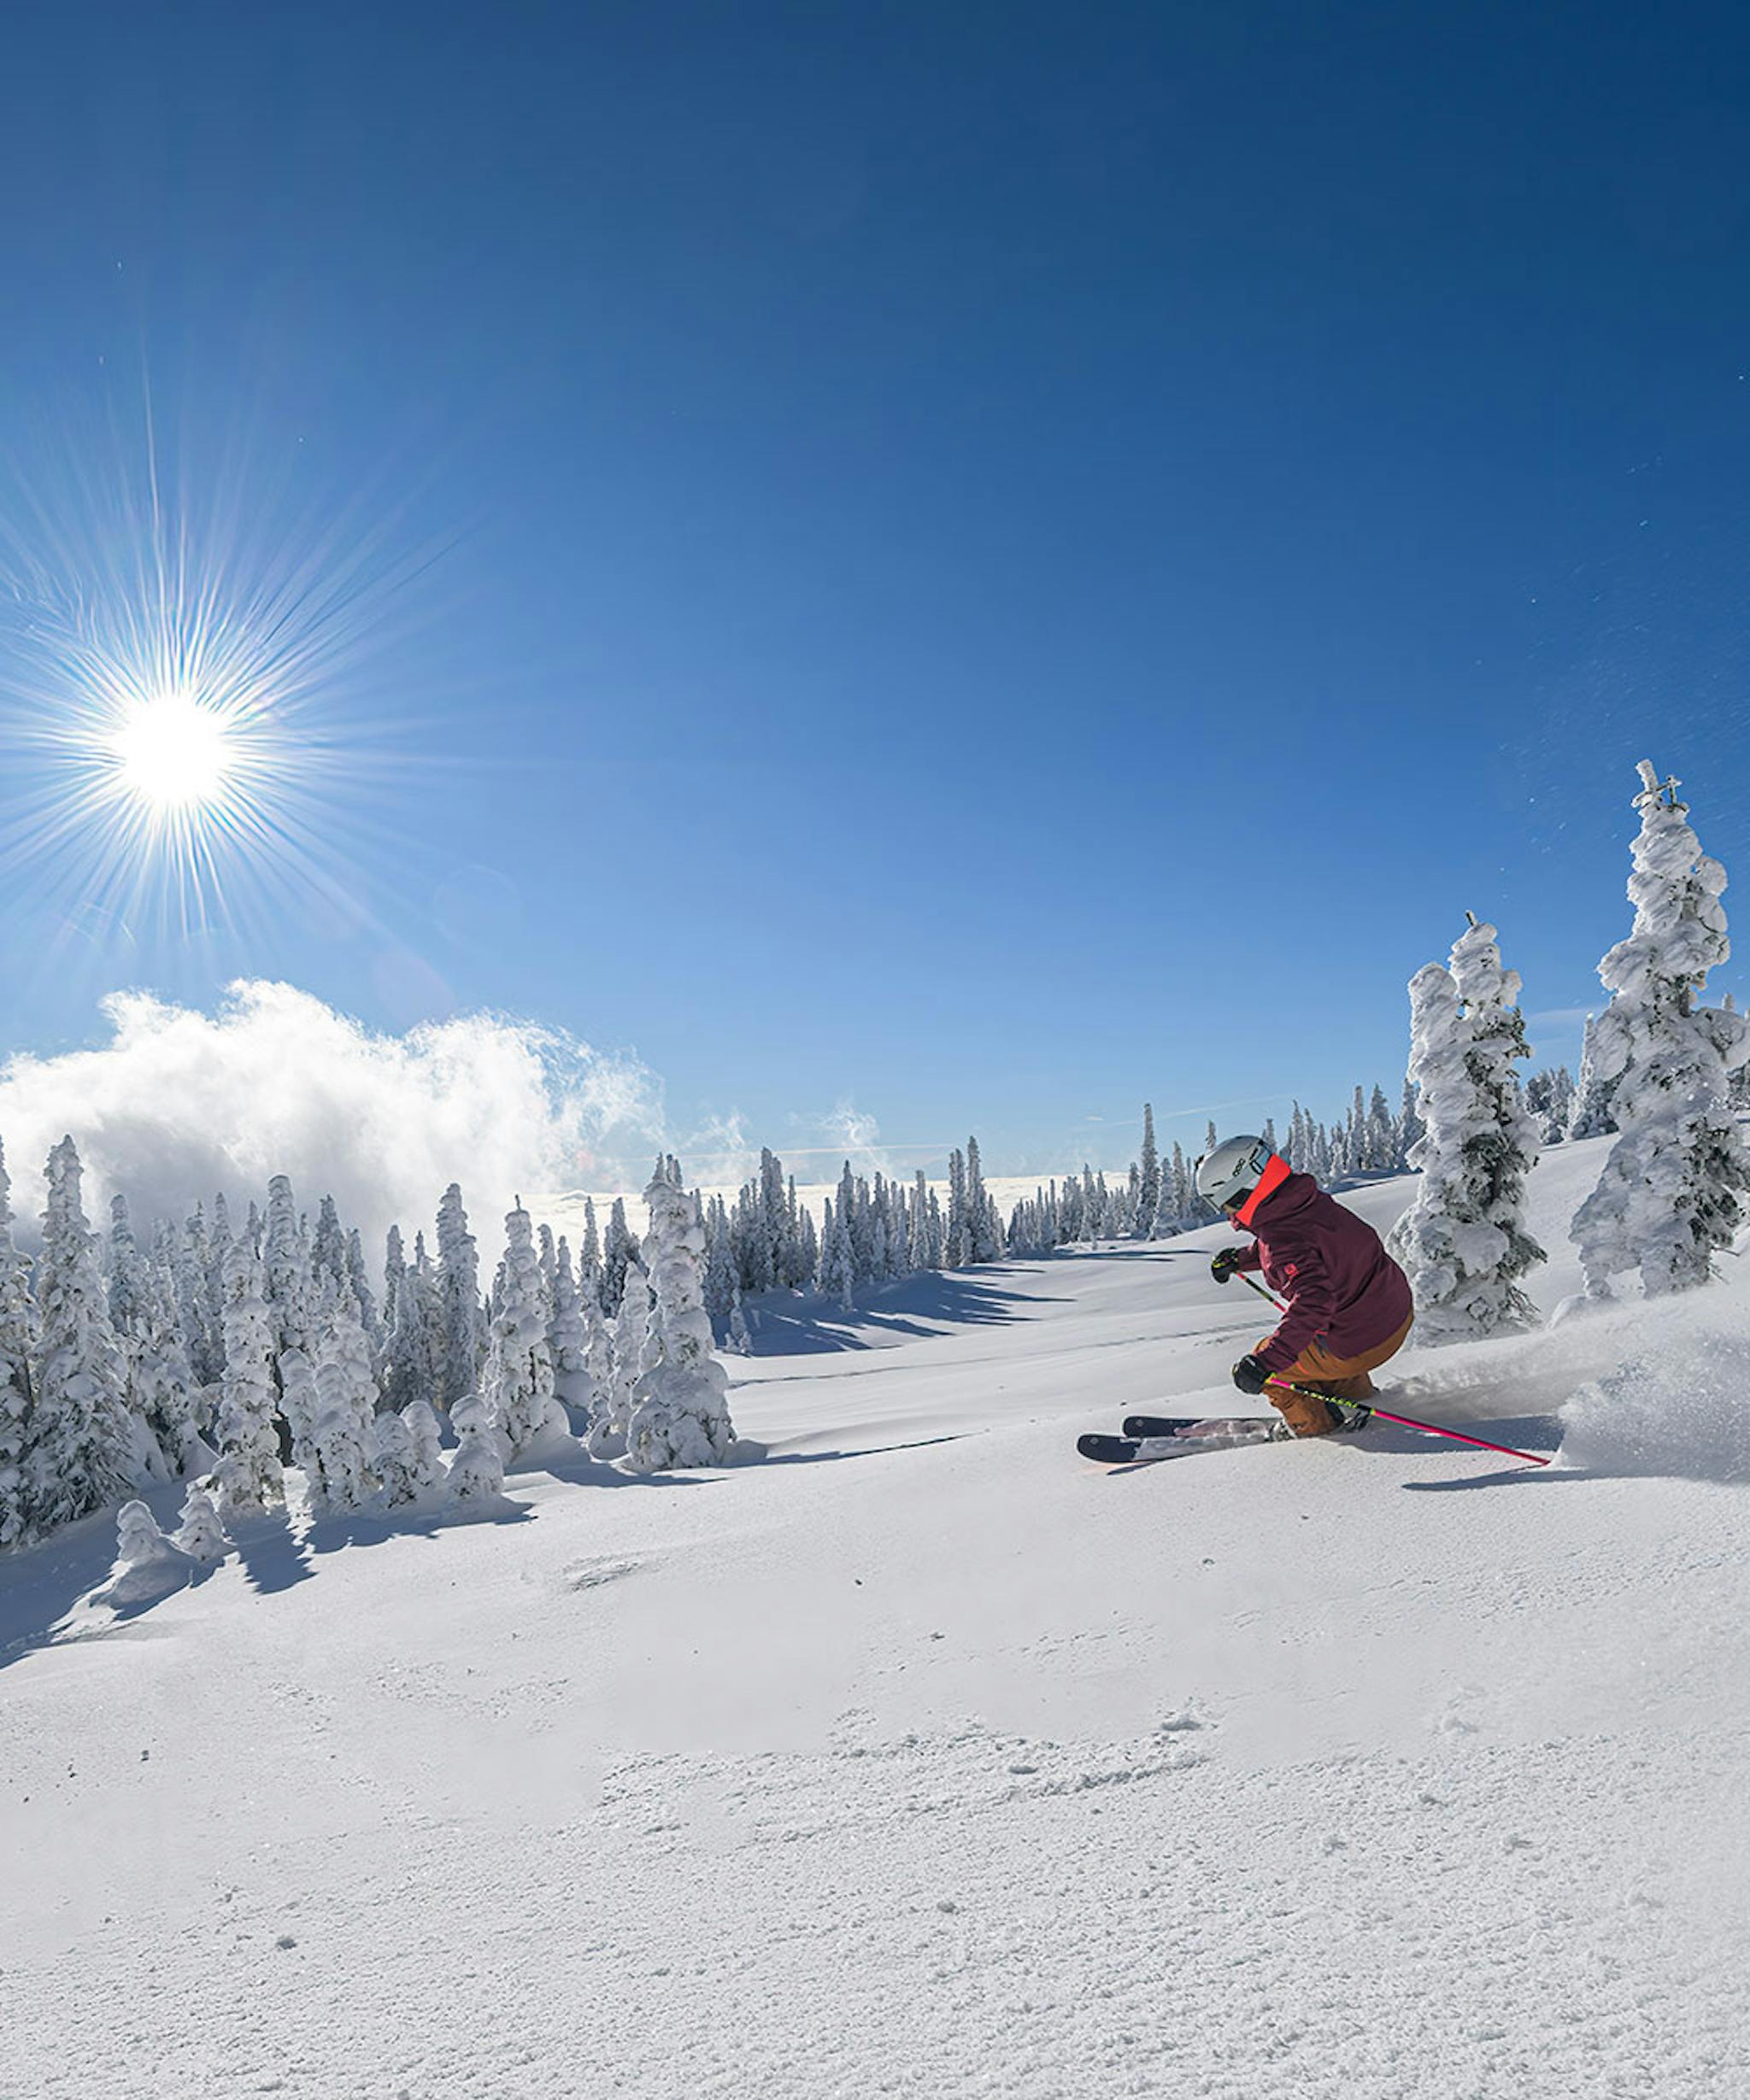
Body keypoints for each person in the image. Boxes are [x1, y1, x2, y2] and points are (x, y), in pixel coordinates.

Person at [1195, 1135, 1413, 1438]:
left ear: (1244, 1191)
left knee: (1273, 1366)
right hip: (1393, 1316)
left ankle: (1316, 1428)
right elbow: (1309, 1247)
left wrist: (1264, 1364)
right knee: (1320, 1340)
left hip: (1362, 1343)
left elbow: (1313, 1301)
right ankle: (1356, 1400)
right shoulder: (1305, 1203)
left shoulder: (1281, 1239)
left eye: (1226, 1204)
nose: (1228, 1215)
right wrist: (1241, 1259)